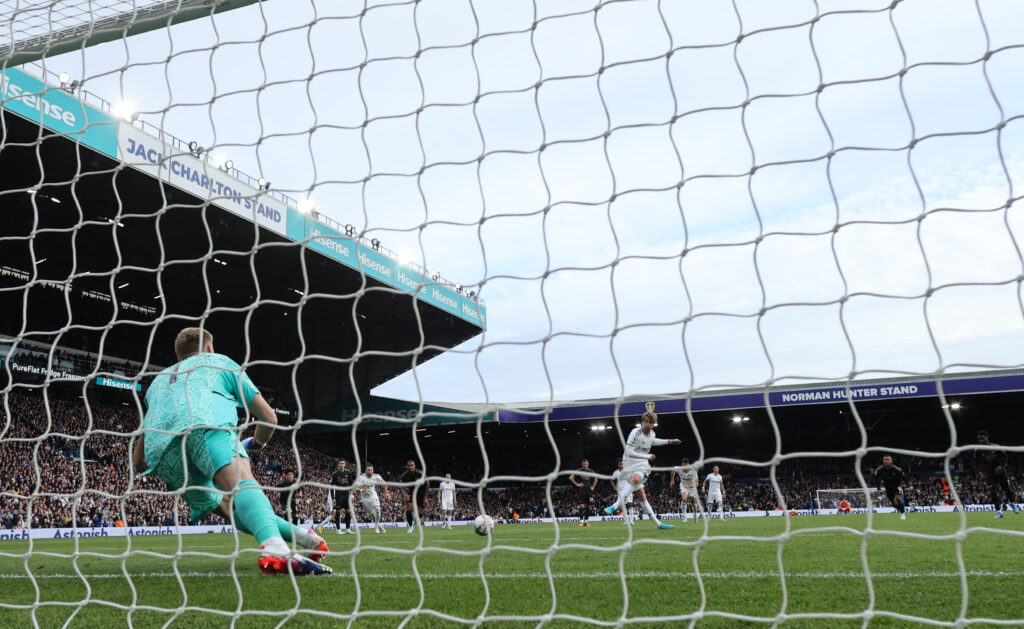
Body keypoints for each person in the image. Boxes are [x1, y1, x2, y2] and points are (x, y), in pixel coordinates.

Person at [132, 327, 330, 576]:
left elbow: (139, 460)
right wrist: (257, 444)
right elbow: (268, 417)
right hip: (206, 424)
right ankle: (276, 548)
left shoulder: (157, 383)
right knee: (243, 485)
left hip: (167, 457)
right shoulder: (219, 362)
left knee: (231, 509)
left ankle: (303, 536)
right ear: (208, 348)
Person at [602, 411, 680, 529]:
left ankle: (616, 504)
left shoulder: (652, 433)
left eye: (651, 423)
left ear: (653, 424)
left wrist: (669, 441)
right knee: (642, 496)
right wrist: (647, 456)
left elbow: (654, 441)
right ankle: (658, 524)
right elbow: (628, 452)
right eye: (646, 422)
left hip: (641, 464)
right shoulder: (635, 433)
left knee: (636, 479)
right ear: (642, 422)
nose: (648, 424)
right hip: (628, 463)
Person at [976, 431, 1020, 518]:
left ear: (987, 438)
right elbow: (976, 461)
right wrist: (980, 471)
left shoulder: (996, 447)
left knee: (1006, 488)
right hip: (989, 473)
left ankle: (1013, 504)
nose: (981, 440)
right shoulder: (978, 450)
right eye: (979, 439)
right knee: (992, 491)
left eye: (982, 438)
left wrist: (1001, 466)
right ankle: (999, 511)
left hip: (1000, 470)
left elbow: (1005, 457)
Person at [354, 463, 391, 533]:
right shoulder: (361, 478)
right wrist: (361, 490)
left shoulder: (376, 476)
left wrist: (386, 493)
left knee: (377, 510)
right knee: (373, 515)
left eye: (371, 470)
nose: (370, 471)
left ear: (373, 470)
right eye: (368, 470)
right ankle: (378, 525)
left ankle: (376, 526)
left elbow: (384, 483)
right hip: (364, 498)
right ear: (365, 470)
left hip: (373, 495)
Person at [874, 455, 908, 520]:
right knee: (894, 504)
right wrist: (879, 489)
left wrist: (908, 486)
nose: (886, 461)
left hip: (897, 486)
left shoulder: (897, 469)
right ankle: (901, 509)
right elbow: (876, 479)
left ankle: (902, 513)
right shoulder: (879, 470)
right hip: (888, 488)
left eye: (888, 459)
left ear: (892, 461)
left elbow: (905, 478)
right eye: (885, 460)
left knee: (898, 499)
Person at [399, 460, 429, 533]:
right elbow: (401, 487)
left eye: (412, 465)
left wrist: (425, 497)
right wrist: (405, 495)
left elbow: (428, 484)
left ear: (414, 466)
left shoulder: (420, 473)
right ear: (407, 467)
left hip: (421, 492)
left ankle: (417, 521)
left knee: (421, 511)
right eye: (409, 466)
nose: (410, 467)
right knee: (409, 508)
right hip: (412, 491)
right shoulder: (404, 476)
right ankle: (410, 526)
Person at [568, 459, 598, 527]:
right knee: (582, 506)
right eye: (584, 464)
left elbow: (596, 479)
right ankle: (581, 522)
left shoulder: (591, 471)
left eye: (586, 464)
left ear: (588, 464)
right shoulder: (579, 470)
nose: (585, 465)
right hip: (582, 490)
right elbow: (570, 477)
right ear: (582, 464)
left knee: (588, 506)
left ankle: (586, 522)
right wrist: (577, 484)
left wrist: (593, 487)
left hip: (589, 491)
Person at [670, 458, 701, 522]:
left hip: (692, 487)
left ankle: (695, 515)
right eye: (682, 465)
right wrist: (672, 480)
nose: (683, 467)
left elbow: (697, 484)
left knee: (693, 503)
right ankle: (684, 516)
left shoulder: (693, 470)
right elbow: (673, 470)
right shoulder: (679, 469)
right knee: (684, 499)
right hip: (683, 486)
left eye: (685, 465)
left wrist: (689, 486)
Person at [331, 458, 357, 534]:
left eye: (343, 463)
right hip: (338, 495)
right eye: (340, 463)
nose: (342, 465)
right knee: (338, 512)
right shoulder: (335, 474)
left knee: (348, 511)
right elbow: (332, 487)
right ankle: (338, 529)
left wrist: (352, 495)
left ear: (345, 464)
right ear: (338, 464)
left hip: (347, 495)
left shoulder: (348, 472)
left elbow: (351, 484)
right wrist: (333, 498)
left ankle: (348, 529)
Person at [609, 459, 634, 524]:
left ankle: (631, 520)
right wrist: (615, 488)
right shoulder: (616, 472)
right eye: (619, 464)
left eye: (622, 464)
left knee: (630, 504)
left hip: (628, 489)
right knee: (623, 506)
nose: (621, 465)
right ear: (617, 465)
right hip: (620, 491)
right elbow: (611, 480)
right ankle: (625, 521)